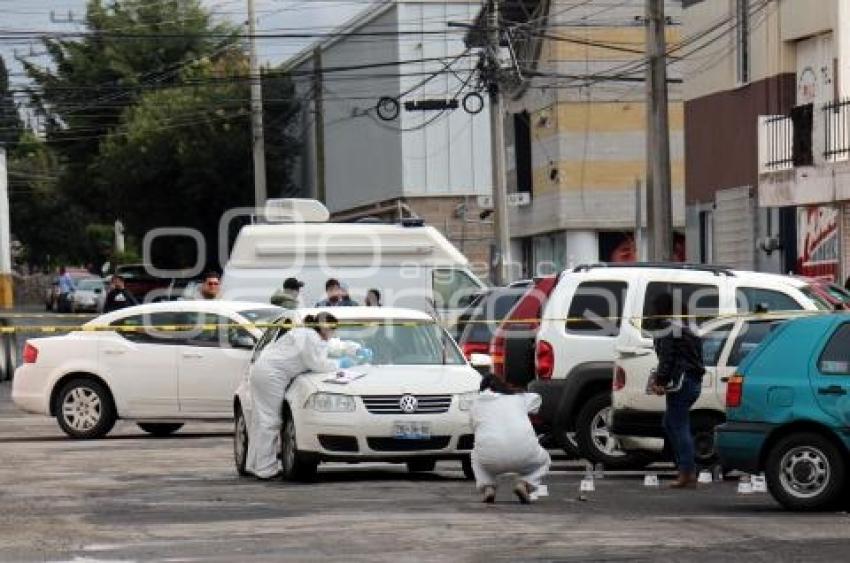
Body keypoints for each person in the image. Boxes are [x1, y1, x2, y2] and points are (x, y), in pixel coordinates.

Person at [245, 312, 340, 479]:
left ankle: (254, 465)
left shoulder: (305, 333)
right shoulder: (310, 337)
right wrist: (340, 364)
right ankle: (265, 469)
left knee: (260, 421)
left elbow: (326, 349)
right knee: (269, 421)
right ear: (326, 328)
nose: (334, 334)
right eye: (333, 330)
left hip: (263, 371)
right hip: (271, 375)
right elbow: (317, 364)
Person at [648, 292, 706, 489]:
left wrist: (660, 381)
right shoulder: (686, 326)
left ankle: (687, 472)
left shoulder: (668, 328)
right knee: (673, 423)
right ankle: (685, 468)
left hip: (682, 381)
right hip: (692, 381)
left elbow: (667, 357)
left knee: (677, 425)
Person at [470, 375, 551, 504]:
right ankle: (525, 484)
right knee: (544, 460)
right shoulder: (518, 397)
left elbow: (475, 428)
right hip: (524, 454)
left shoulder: (476, 403)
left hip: (491, 459)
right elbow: (537, 399)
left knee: (475, 454)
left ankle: (488, 487)